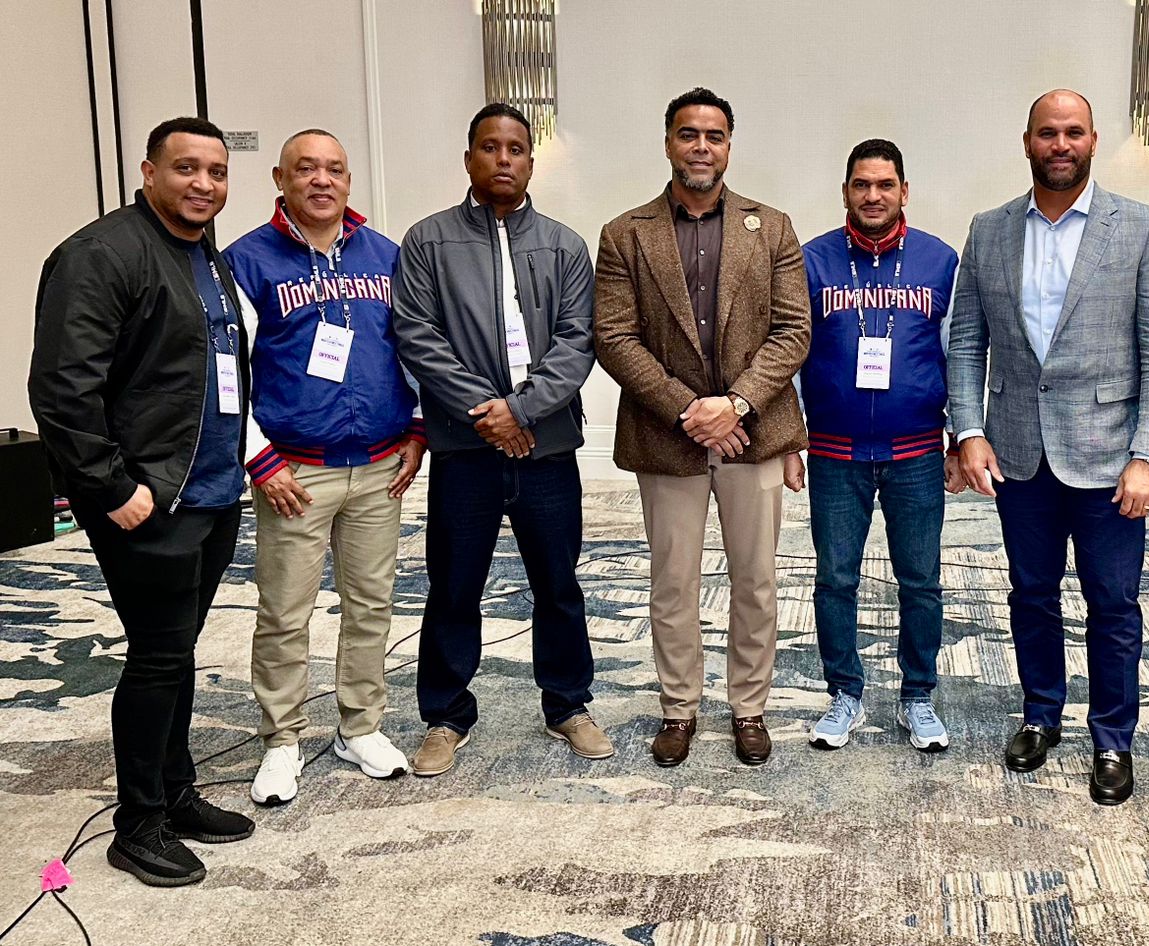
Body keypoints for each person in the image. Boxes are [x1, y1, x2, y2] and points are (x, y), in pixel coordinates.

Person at [30, 117, 256, 886]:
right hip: (146, 500)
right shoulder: (101, 254)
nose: (204, 184)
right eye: (186, 168)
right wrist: (110, 486)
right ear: (149, 171)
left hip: (212, 490)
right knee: (158, 656)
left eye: (217, 172)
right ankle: (138, 825)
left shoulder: (202, 254)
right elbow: (62, 388)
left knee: (178, 650)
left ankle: (175, 792)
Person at [946, 89, 1149, 804]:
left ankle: (1113, 738)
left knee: (1113, 602)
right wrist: (969, 431)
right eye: (1047, 133)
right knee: (1031, 592)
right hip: (1019, 452)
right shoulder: (989, 230)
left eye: (1073, 132)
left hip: (1112, 457)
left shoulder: (1142, 227)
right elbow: (967, 341)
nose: (1060, 144)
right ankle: (1041, 715)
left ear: (1093, 141)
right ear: (1027, 142)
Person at [593, 87, 810, 767]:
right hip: (667, 437)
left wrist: (735, 405)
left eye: (714, 136)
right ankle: (679, 708)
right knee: (673, 583)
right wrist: (692, 410)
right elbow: (614, 336)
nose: (701, 147)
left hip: (755, 434)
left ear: (729, 147)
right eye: (688, 134)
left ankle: (749, 707)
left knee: (756, 581)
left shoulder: (771, 227)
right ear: (668, 143)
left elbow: (793, 331)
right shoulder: (626, 233)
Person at [393, 103, 607, 777]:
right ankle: (445, 714)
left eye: (515, 148)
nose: (503, 159)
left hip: (546, 449)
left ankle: (568, 704)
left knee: (559, 584)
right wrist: (486, 414)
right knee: (454, 587)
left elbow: (578, 341)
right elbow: (417, 336)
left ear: (531, 163)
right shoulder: (427, 241)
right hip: (465, 452)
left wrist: (520, 411)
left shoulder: (564, 245)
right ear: (469, 159)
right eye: (490, 147)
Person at [223, 128, 424, 805]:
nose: (321, 180)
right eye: (305, 168)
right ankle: (282, 739)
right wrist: (259, 458)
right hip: (294, 474)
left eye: (334, 169)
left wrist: (418, 429)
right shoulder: (247, 261)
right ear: (279, 179)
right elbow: (227, 371)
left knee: (372, 605)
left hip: (379, 467)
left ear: (348, 180)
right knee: (285, 612)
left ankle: (359, 726)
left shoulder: (386, 256)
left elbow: (413, 348)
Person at [794, 138, 961, 752]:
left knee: (921, 581)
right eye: (861, 185)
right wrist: (788, 440)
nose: (872, 196)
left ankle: (918, 696)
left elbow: (961, 355)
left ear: (904, 191)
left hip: (916, 452)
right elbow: (789, 355)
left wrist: (961, 437)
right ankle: (845, 693)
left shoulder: (939, 260)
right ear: (845, 191)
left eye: (885, 184)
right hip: (834, 452)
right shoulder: (811, 261)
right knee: (835, 579)